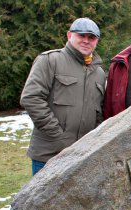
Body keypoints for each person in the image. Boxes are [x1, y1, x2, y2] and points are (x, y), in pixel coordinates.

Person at [20, 18, 106, 175]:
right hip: (49, 155)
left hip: (81, 157)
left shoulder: (99, 74)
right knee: (43, 200)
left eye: (91, 37)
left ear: (96, 41)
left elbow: (99, 112)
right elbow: (31, 98)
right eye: (81, 36)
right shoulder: (50, 60)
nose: (86, 41)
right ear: (69, 35)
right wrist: (58, 136)